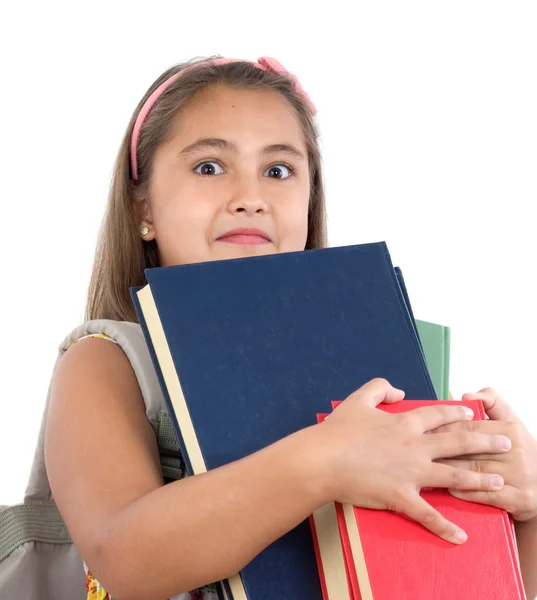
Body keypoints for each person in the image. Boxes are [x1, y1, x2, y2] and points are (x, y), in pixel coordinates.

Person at [44, 55, 537, 600]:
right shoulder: (107, 360)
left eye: (278, 171)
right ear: (144, 207)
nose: (250, 197)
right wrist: (326, 460)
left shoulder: (382, 361)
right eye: (209, 166)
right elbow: (124, 560)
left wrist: (522, 505)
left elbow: (459, 583)